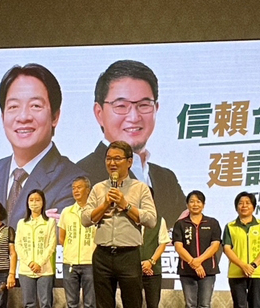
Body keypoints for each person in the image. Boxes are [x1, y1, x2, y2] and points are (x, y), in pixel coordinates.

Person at [0, 63, 85, 224]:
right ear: (3, 116)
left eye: (35, 106)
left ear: (55, 116)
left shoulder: (73, 181)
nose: (23, 117)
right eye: (13, 106)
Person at [77, 60, 186, 230]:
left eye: (144, 105)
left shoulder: (166, 178)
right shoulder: (81, 174)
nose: (134, 117)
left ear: (156, 109)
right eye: (121, 106)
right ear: (99, 113)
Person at [82, 141, 157, 308]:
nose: (112, 163)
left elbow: (151, 220)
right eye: (108, 158)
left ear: (129, 161)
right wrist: (105, 204)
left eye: (117, 158)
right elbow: (85, 219)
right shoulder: (98, 188)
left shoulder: (140, 188)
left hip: (129, 256)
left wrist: (126, 205)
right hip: (102, 256)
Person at [119, 188, 170, 308]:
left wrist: (151, 262)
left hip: (152, 271)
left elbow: (162, 243)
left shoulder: (159, 220)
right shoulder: (126, 218)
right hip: (130, 271)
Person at [173, 190, 221, 308]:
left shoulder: (212, 223)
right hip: (187, 271)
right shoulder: (180, 224)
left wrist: (199, 261)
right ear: (187, 204)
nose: (195, 204)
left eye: (198, 201)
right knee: (191, 306)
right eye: (192, 201)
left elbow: (215, 245)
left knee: (205, 305)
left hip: (207, 270)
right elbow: (178, 246)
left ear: (203, 204)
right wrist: (193, 262)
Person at [59, 177, 98, 308]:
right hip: (70, 263)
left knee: (90, 303)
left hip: (90, 262)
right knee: (71, 303)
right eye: (73, 187)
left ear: (88, 190)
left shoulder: (95, 211)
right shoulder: (67, 212)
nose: (75, 190)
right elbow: (62, 238)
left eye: (79, 187)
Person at [15, 189, 57, 308]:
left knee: (45, 303)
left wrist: (39, 262)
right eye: (31, 200)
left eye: (37, 200)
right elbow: (18, 245)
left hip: (44, 270)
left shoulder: (49, 222)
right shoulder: (21, 223)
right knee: (29, 304)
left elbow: (51, 245)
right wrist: (30, 262)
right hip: (26, 270)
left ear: (43, 202)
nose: (34, 203)